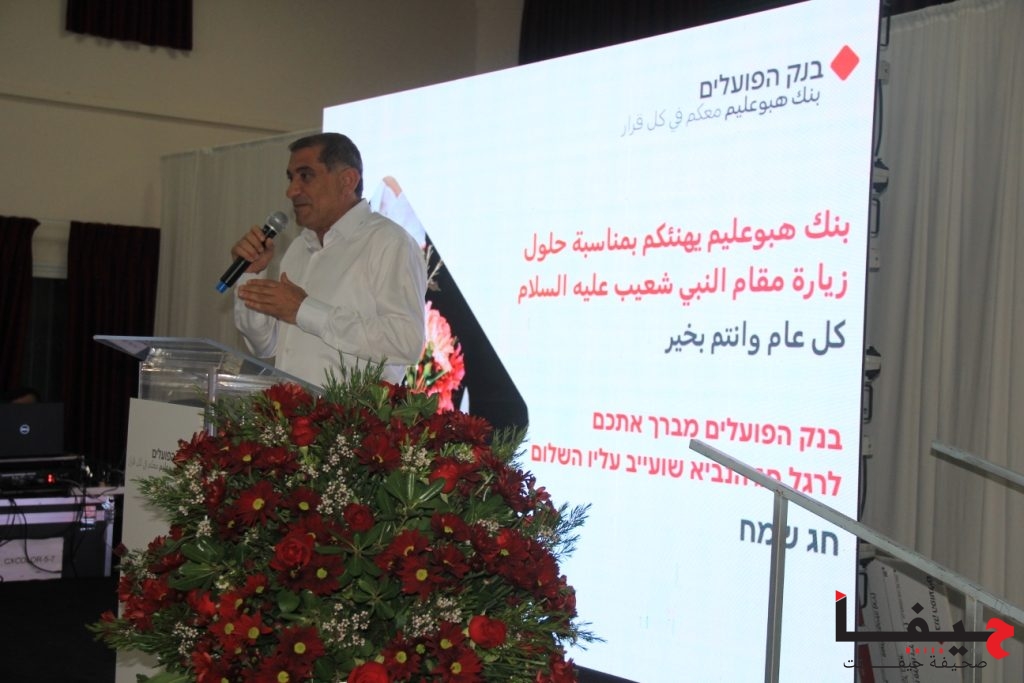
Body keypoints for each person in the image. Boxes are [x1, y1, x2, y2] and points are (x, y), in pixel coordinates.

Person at [231, 132, 427, 387]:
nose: (291, 191)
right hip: (290, 409)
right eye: (291, 178)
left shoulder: (389, 242)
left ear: (347, 180)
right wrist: (249, 274)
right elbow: (264, 344)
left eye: (306, 176)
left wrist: (304, 310)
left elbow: (406, 342)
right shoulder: (299, 248)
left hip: (353, 412)